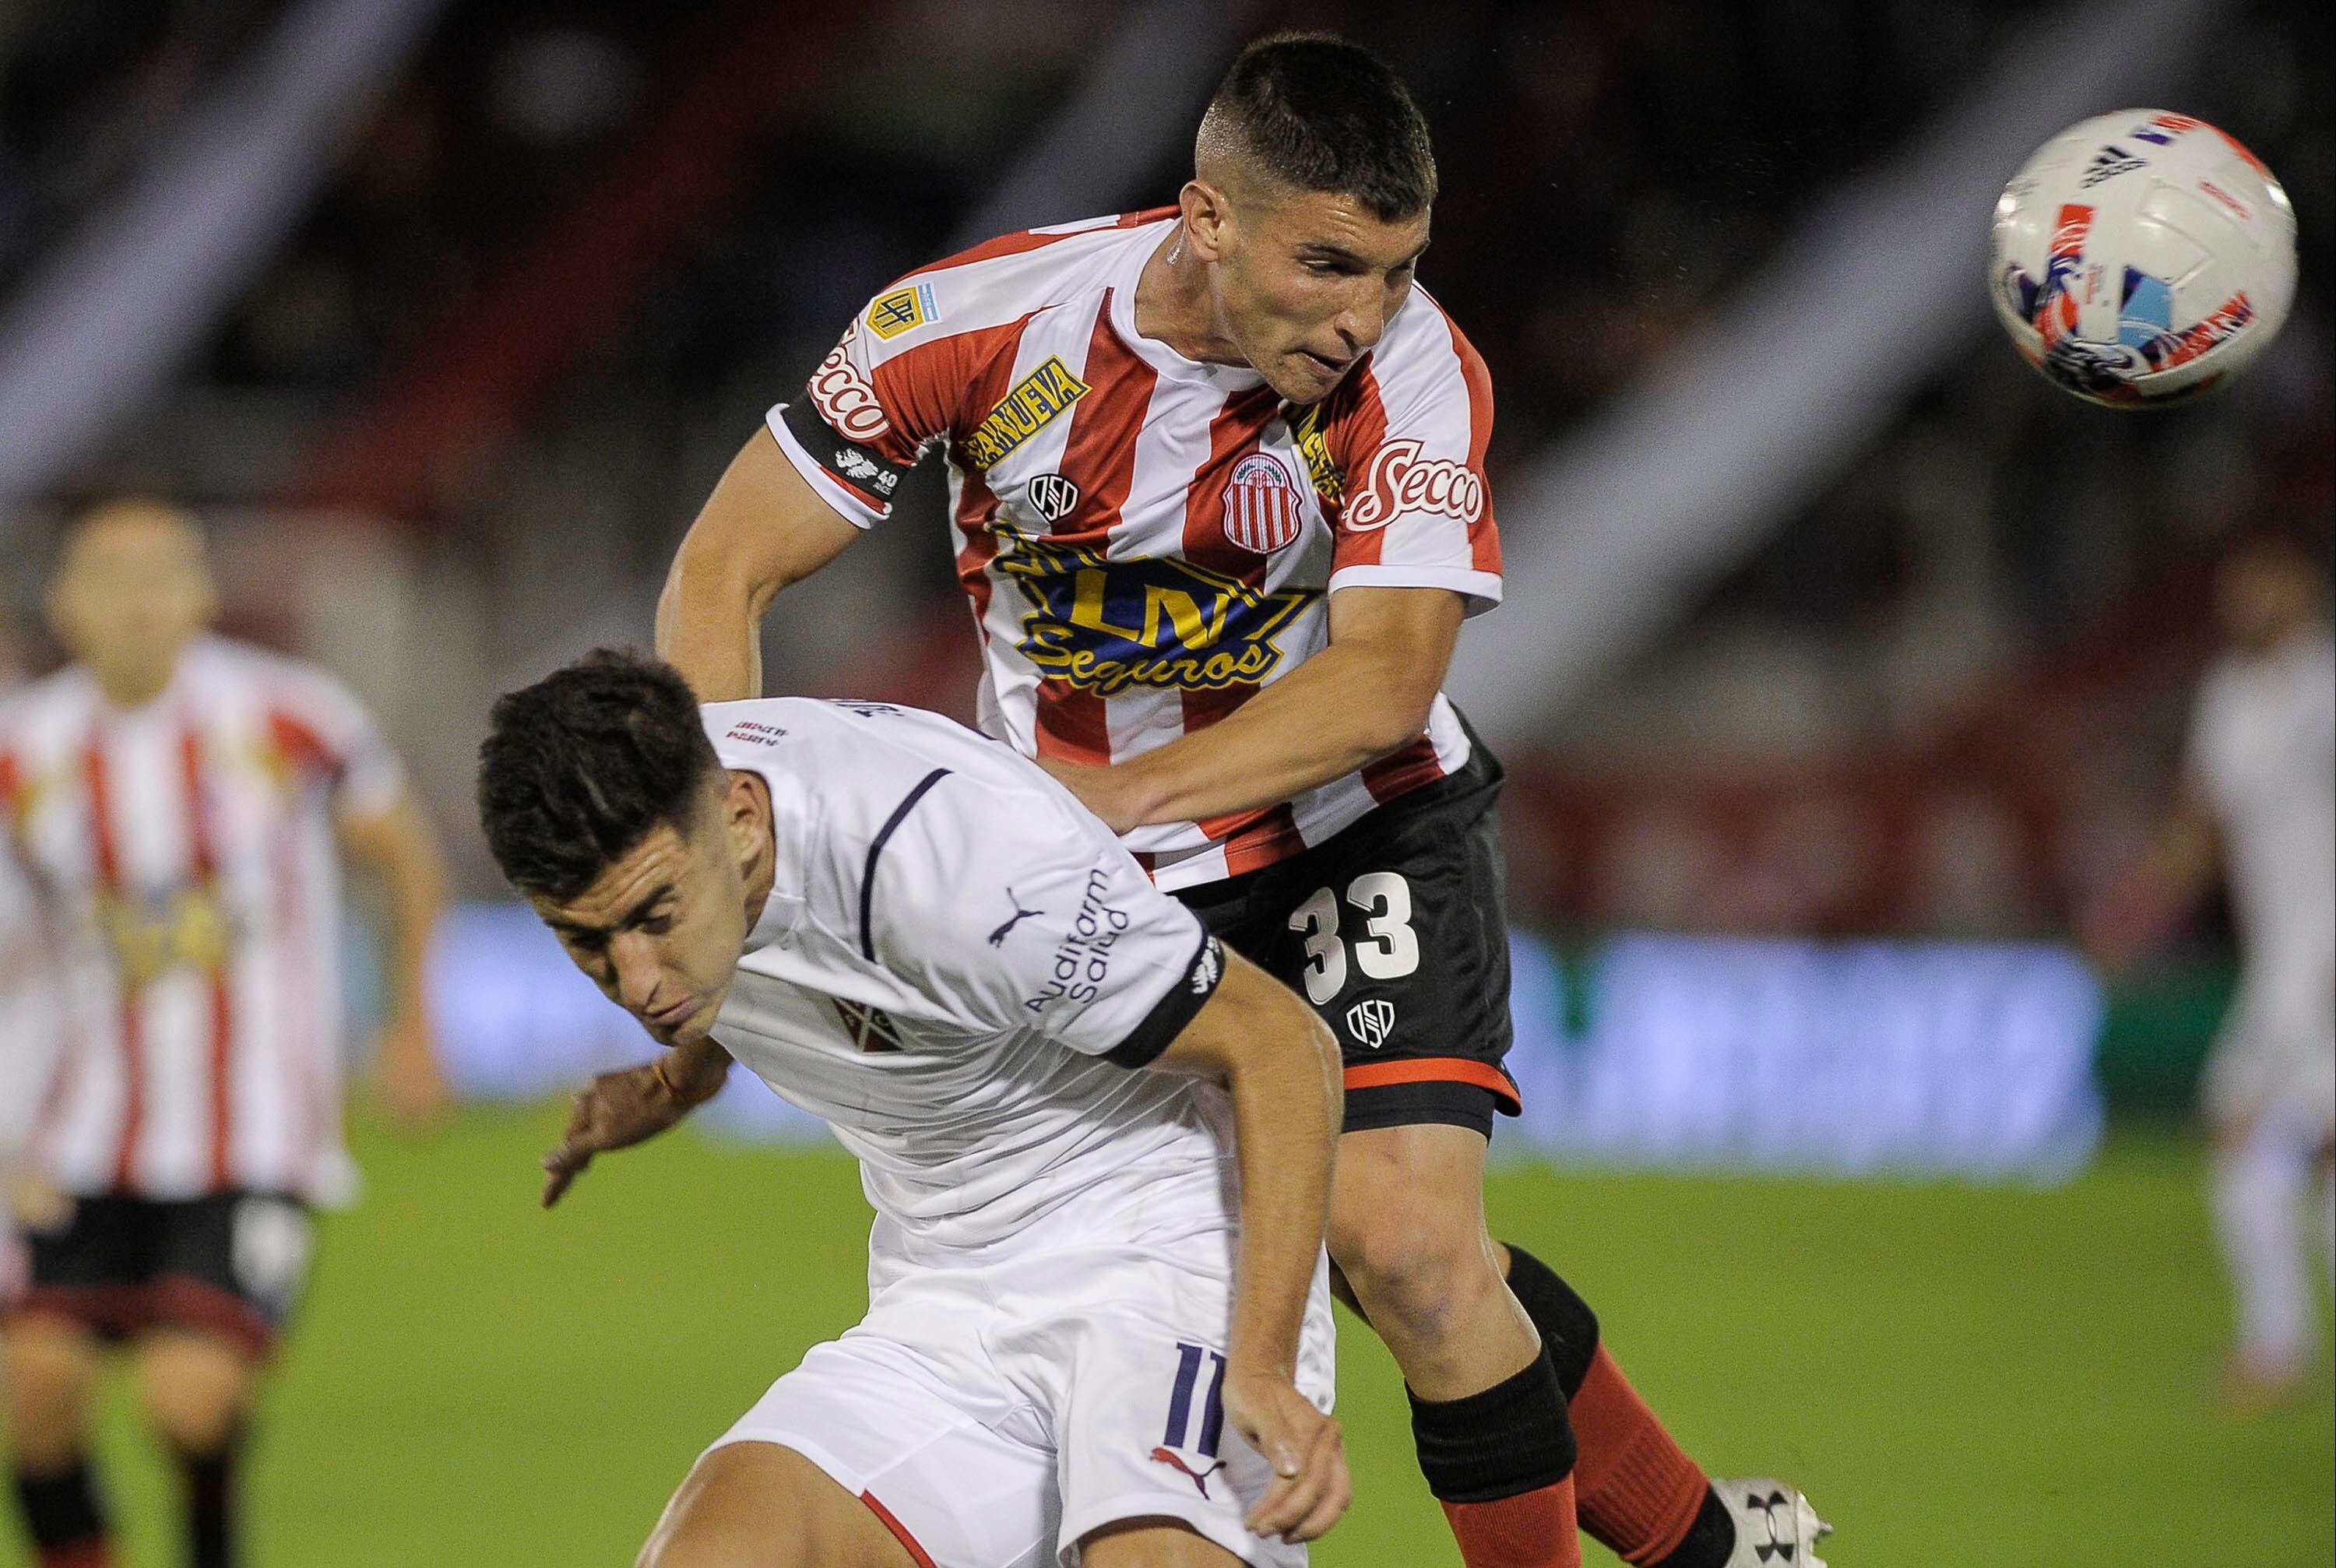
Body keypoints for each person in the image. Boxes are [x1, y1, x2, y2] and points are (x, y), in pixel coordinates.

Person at [654, 30, 1826, 1568]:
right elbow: (722, 568)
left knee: (1398, 1238)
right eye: (1331, 263)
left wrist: (1113, 799)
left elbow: (1385, 678)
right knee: (1185, 1252)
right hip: (1109, 870)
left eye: (1398, 270)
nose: (1366, 314)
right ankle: (1705, 1546)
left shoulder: (1414, 372)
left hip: (1355, 822)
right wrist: (722, 843)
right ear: (1207, 219)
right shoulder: (969, 327)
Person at [479, 651, 1351, 1567]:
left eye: (656, 918)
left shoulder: (962, 872)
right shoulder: (675, 810)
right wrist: (676, 1079)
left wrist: (1261, 1364)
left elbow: (1282, 1045)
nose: (639, 983)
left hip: (1161, 1245)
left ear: (739, 818)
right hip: (944, 1290)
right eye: (587, 943)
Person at [0, 499, 451, 1568]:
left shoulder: (289, 714)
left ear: (204, 591)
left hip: (253, 1130)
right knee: (36, 1386)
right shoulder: (26, 750)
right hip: (80, 1130)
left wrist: (411, 1026)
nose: (140, 598)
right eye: (112, 575)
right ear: (68, 602)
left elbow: (404, 852)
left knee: (187, 1397)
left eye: (162, 572)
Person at [2088, 527, 2335, 1410]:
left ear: (2302, 585)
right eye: (2240, 579)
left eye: (2267, 578)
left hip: (2325, 958)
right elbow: (2201, 826)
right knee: (2289, 1146)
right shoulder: (2231, 694)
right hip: (2281, 959)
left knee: (2252, 1128)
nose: (2247, 595)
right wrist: (2131, 916)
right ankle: (2277, 1345)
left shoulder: (2325, 690)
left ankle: (2276, 1347)